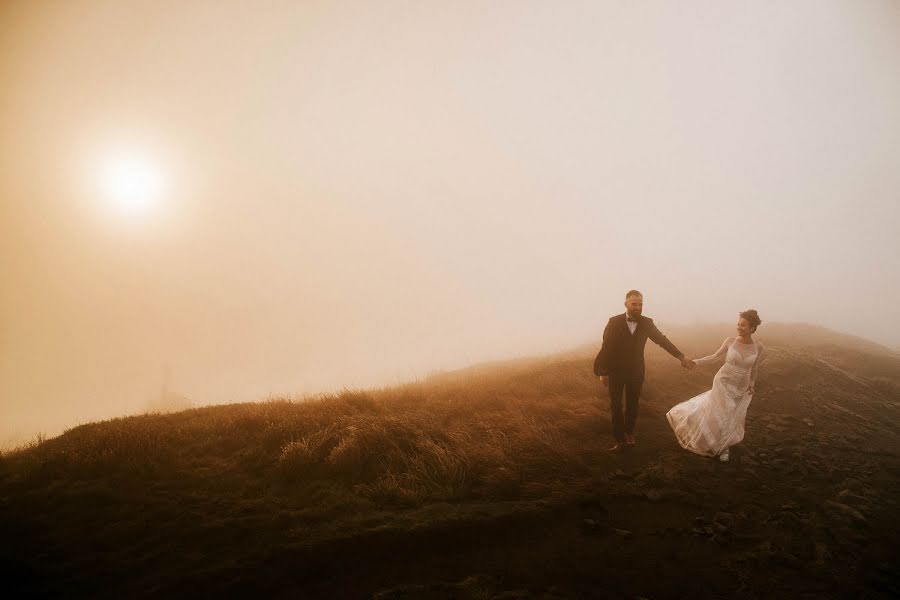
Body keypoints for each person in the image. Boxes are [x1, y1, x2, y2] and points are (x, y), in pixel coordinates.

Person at [593, 290, 695, 452]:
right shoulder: (614, 322)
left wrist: (681, 357)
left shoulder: (647, 323)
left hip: (636, 371)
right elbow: (606, 347)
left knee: (633, 404)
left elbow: (662, 340)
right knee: (616, 405)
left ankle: (629, 433)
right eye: (634, 304)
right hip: (615, 371)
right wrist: (602, 372)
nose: (638, 307)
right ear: (626, 304)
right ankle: (619, 440)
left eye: (640, 304)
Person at [666, 309, 764, 462]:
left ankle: (723, 443)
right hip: (723, 381)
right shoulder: (730, 341)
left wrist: (752, 383)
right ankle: (722, 448)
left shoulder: (758, 347)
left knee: (732, 415)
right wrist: (695, 362)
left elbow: (754, 367)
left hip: (741, 387)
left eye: (743, 325)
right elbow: (714, 357)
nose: (739, 327)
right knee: (723, 412)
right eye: (738, 324)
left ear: (752, 328)